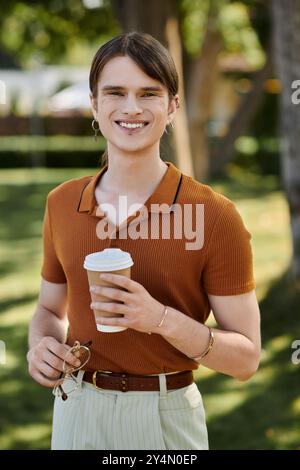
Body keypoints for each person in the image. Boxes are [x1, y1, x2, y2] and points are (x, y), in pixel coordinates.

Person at [26, 31, 261, 451]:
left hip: (166, 419)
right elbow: (48, 308)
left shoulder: (215, 215)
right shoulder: (60, 203)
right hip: (76, 412)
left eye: (148, 93)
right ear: (95, 105)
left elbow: (246, 359)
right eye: (115, 92)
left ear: (171, 106)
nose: (131, 108)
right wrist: (41, 346)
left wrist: (159, 318)